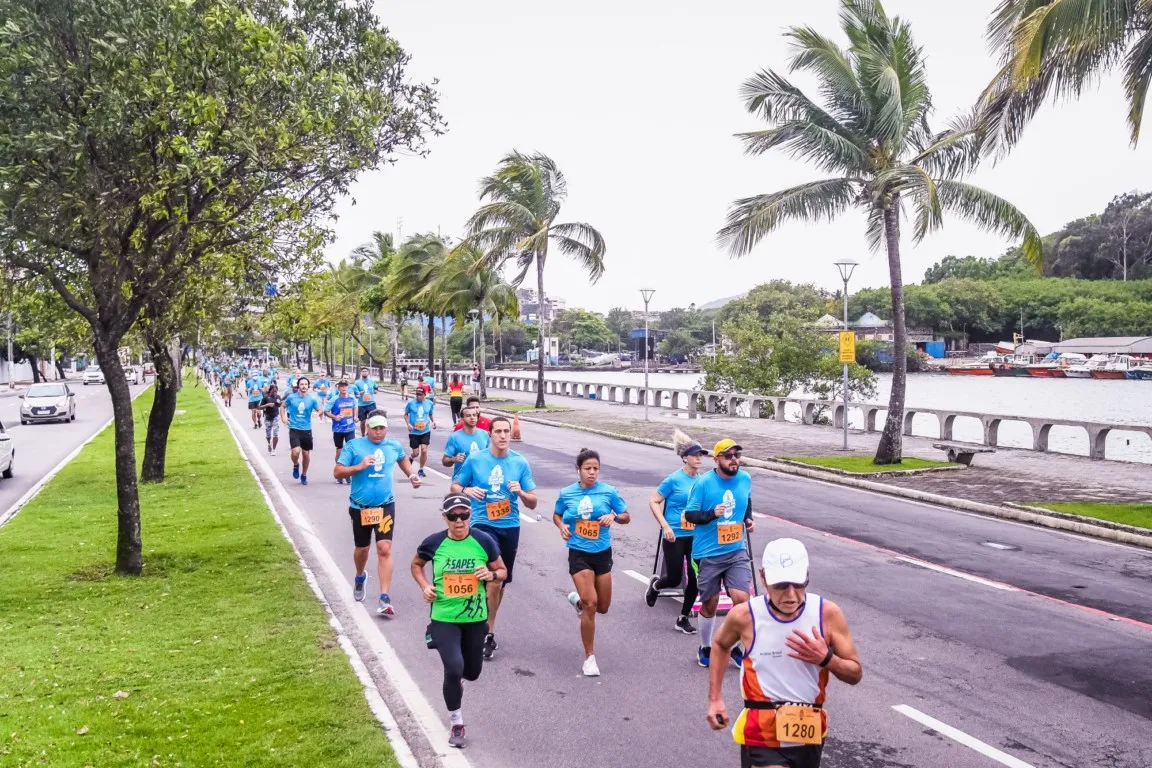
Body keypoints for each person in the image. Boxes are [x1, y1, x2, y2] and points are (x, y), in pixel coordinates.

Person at [706, 538, 862, 768]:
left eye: (798, 584)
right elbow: (720, 645)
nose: (790, 595)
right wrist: (715, 699)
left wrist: (827, 659)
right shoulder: (745, 616)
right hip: (761, 731)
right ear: (763, 577)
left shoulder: (827, 613)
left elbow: (855, 674)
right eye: (780, 585)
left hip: (808, 732)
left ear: (807, 576)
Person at [411, 493, 507, 750]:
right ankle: (457, 722)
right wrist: (424, 586)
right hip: (444, 617)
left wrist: (491, 574)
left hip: (475, 618)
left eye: (464, 515)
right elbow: (417, 565)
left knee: (471, 672)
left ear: (470, 515)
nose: (459, 520)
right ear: (445, 517)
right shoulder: (434, 543)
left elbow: (503, 570)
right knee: (453, 668)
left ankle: (459, 678)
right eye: (453, 516)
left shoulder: (483, 541)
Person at [450, 415, 537, 660]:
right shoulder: (476, 460)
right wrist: (467, 490)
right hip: (481, 525)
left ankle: (486, 625)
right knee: (492, 579)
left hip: (509, 526)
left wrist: (520, 492)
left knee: (499, 581)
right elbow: (455, 486)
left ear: (511, 434)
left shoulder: (520, 463)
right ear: (489, 434)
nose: (502, 435)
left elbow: (533, 502)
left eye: (505, 431)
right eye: (497, 431)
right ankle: (486, 634)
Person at [334, 409, 421, 616]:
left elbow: (402, 459)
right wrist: (359, 466)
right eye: (375, 428)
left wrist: (411, 475)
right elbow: (337, 471)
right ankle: (359, 576)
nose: (379, 432)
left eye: (382, 428)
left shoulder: (393, 445)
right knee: (362, 549)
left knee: (384, 548)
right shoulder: (354, 446)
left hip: (385, 506)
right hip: (360, 508)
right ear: (367, 428)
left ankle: (384, 596)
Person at [554, 448, 629, 677]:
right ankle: (589, 658)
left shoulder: (608, 492)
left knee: (603, 606)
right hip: (579, 553)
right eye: (587, 468)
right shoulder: (567, 493)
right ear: (578, 470)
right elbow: (557, 514)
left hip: (602, 553)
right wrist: (562, 526)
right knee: (591, 604)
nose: (592, 473)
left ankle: (577, 601)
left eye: (596, 469)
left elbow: (626, 516)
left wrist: (614, 516)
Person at [684, 438, 755, 669]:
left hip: (736, 550)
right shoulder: (704, 483)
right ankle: (705, 647)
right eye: (728, 456)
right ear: (716, 460)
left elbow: (746, 500)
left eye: (736, 455)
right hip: (707, 553)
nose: (734, 460)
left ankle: (734, 648)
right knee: (710, 604)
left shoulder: (745, 478)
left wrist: (747, 519)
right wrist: (712, 514)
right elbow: (690, 515)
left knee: (743, 602)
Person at [645, 429, 706, 634]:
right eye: (695, 455)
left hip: (696, 535)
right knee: (673, 578)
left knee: (695, 578)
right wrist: (665, 526)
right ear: (684, 458)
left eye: (701, 455)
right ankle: (656, 585)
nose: (699, 458)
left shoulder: (703, 480)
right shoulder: (673, 480)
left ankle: (682, 618)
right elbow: (654, 501)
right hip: (675, 534)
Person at [281, 376, 322, 485]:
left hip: (306, 429)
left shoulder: (312, 399)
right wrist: (283, 417)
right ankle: (295, 464)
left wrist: (317, 414)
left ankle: (304, 474)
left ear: (308, 386)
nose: (303, 386)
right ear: (298, 386)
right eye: (301, 384)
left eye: (305, 384)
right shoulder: (291, 397)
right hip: (294, 428)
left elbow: (320, 409)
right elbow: (282, 406)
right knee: (295, 452)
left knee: (306, 455)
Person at [442, 404, 490, 481]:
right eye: (468, 416)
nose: (472, 418)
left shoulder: (485, 435)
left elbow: (490, 457)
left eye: (474, 415)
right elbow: (445, 461)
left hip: (480, 481)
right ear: (462, 419)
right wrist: (453, 459)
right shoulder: (455, 437)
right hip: (461, 481)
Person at [325, 380, 358, 483]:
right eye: (342, 386)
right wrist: (335, 417)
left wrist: (355, 416)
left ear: (348, 387)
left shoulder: (352, 398)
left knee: (350, 451)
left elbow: (355, 406)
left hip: (350, 429)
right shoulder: (334, 399)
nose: (344, 388)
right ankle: (339, 473)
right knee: (339, 451)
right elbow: (326, 411)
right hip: (338, 429)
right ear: (338, 388)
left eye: (345, 386)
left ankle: (348, 474)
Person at [403, 388, 437, 477]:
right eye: (417, 394)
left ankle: (421, 469)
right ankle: (412, 457)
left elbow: (430, 414)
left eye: (420, 394)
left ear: (424, 395)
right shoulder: (411, 403)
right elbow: (406, 414)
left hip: (425, 430)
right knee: (416, 453)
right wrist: (408, 424)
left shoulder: (429, 403)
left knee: (424, 450)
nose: (418, 396)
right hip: (414, 432)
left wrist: (433, 422)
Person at [351, 367, 378, 436]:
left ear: (368, 372)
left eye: (366, 371)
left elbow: (376, 389)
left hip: (371, 403)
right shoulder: (357, 382)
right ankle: (363, 435)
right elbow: (355, 394)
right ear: (361, 373)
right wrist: (360, 393)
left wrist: (375, 391)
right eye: (363, 371)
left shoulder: (372, 381)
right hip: (361, 405)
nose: (364, 372)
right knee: (362, 422)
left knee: (372, 420)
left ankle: (369, 433)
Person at [260, 383, 284, 455]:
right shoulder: (266, 397)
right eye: (273, 391)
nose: (275, 393)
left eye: (276, 391)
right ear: (270, 390)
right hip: (268, 417)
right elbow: (260, 407)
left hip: (275, 417)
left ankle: (274, 449)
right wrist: (267, 405)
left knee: (276, 433)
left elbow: (280, 404)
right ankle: (269, 443)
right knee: (268, 434)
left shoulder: (278, 397)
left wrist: (281, 403)